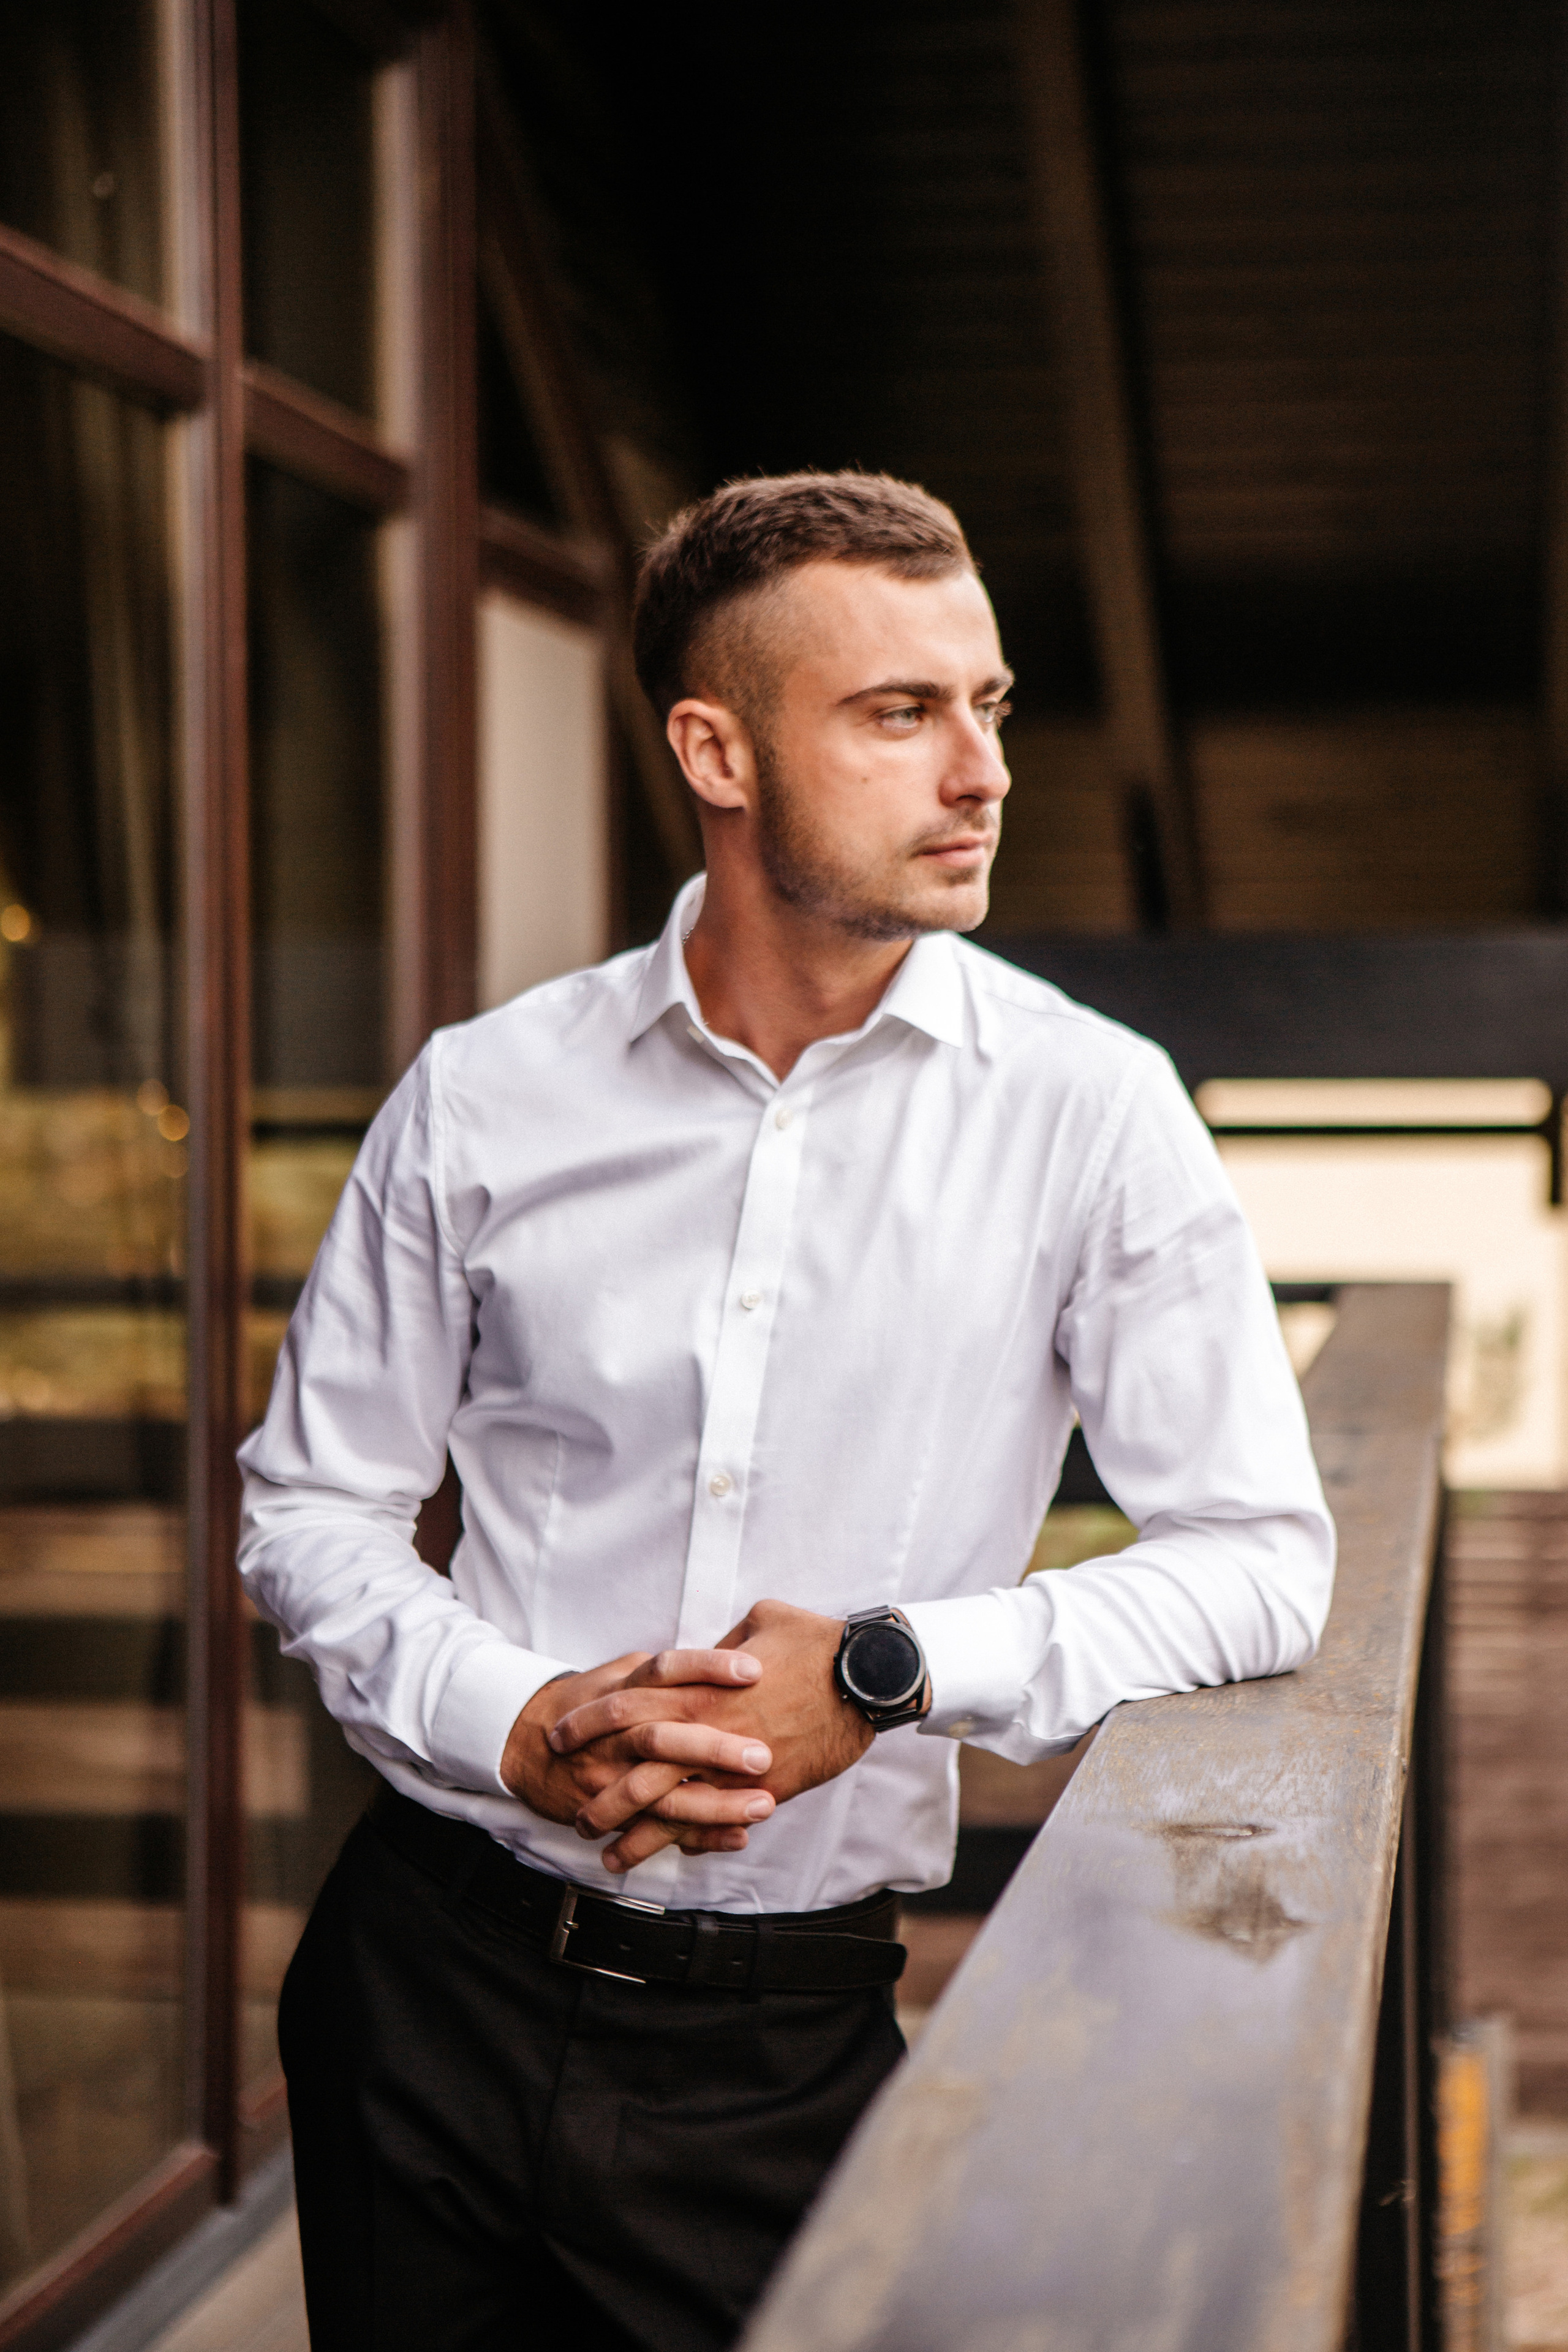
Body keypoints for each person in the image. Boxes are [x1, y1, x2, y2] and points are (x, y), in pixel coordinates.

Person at [238, 470, 1334, 2352]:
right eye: (901, 714)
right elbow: (309, 1509)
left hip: (781, 2042)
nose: (981, 771)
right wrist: (509, 1723)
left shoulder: (1094, 1111)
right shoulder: (487, 1096)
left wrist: (894, 1671)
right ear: (716, 751)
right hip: (426, 1981)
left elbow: (1261, 1562)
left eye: (987, 706)